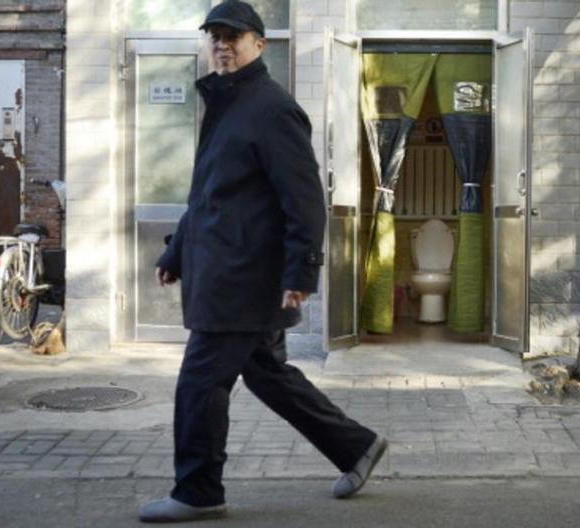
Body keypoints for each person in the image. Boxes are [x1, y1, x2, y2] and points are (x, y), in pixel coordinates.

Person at [138, 1, 387, 522]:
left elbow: (303, 200)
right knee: (268, 373)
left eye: (234, 36)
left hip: (243, 280)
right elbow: (209, 194)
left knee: (200, 383)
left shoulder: (271, 108)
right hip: (226, 271)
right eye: (215, 37)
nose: (223, 45)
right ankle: (356, 446)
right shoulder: (228, 105)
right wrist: (177, 250)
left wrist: (302, 272)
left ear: (260, 44)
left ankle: (199, 491)